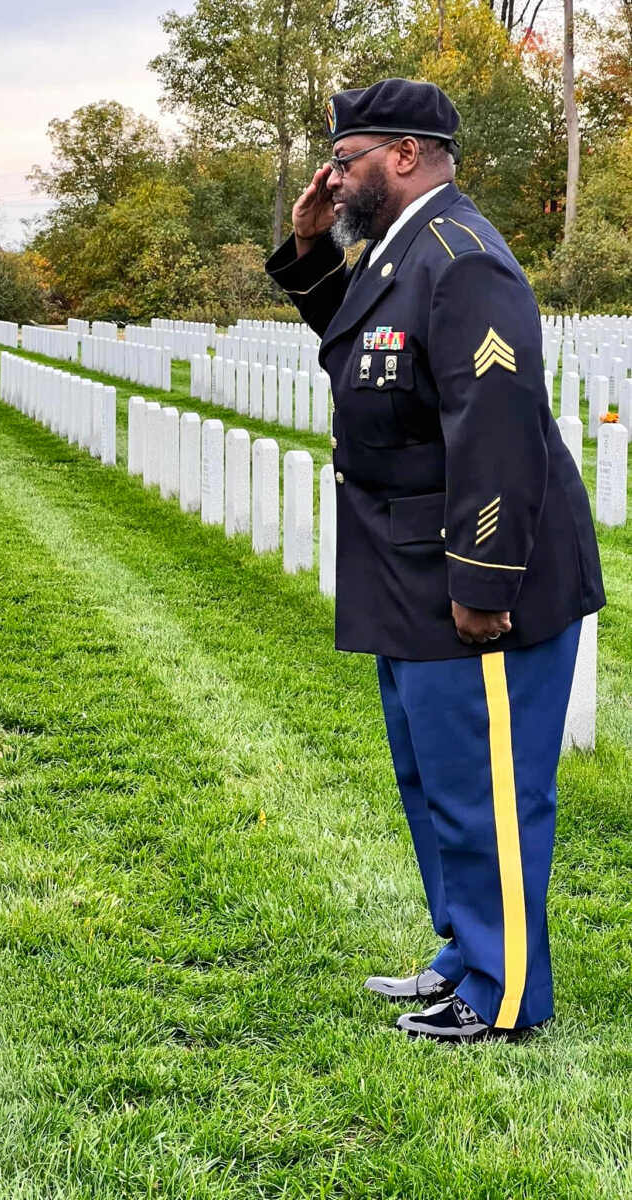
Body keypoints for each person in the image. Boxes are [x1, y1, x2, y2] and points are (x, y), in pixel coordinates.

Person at [266, 77, 605, 1043]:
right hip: (405, 565)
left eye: (348, 158)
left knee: (488, 789)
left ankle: (502, 997)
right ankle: (465, 954)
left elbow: (494, 429)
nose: (334, 175)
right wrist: (307, 249)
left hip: (476, 572)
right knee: (434, 781)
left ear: (405, 154)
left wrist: (485, 583)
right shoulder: (401, 248)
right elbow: (366, 353)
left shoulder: (462, 258)